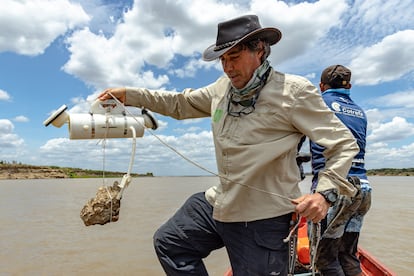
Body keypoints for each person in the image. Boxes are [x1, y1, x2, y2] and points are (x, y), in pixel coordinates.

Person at [99, 15, 359, 276]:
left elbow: (343, 144)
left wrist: (324, 194)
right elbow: (180, 103)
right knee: (170, 242)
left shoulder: (293, 91)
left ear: (260, 51)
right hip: (220, 201)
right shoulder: (221, 88)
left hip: (263, 216)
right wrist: (130, 95)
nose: (227, 67)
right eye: (222, 60)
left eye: (233, 57)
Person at [310, 65, 372, 276]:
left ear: (321, 85)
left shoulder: (318, 104)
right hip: (363, 189)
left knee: (326, 261)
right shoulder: (360, 111)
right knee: (348, 254)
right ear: (350, 86)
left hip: (335, 191)